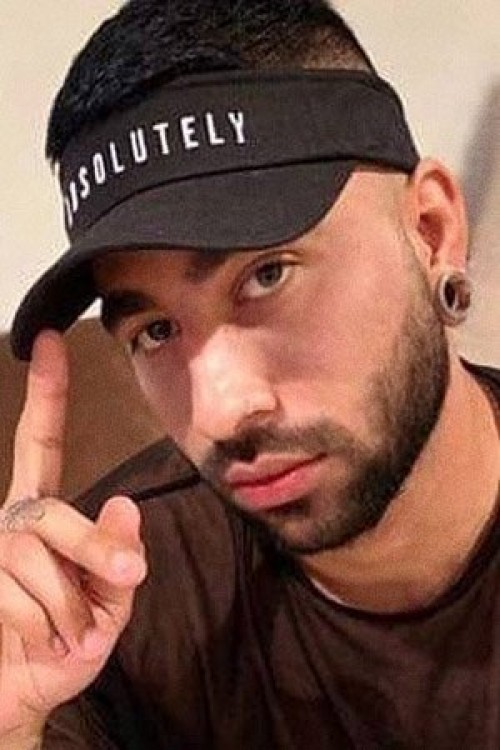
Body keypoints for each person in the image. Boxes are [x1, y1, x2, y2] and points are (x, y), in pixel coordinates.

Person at [2, 0, 499, 747]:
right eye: (155, 331)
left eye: (268, 274)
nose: (222, 410)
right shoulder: (103, 607)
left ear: (430, 231)